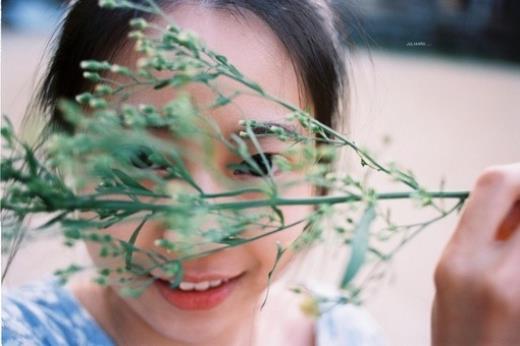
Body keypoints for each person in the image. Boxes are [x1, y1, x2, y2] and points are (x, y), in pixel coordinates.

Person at [2, 1, 519, 345]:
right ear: (68, 160)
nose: (197, 235)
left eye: (258, 163)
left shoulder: (341, 332)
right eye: (141, 160)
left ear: (322, 172)